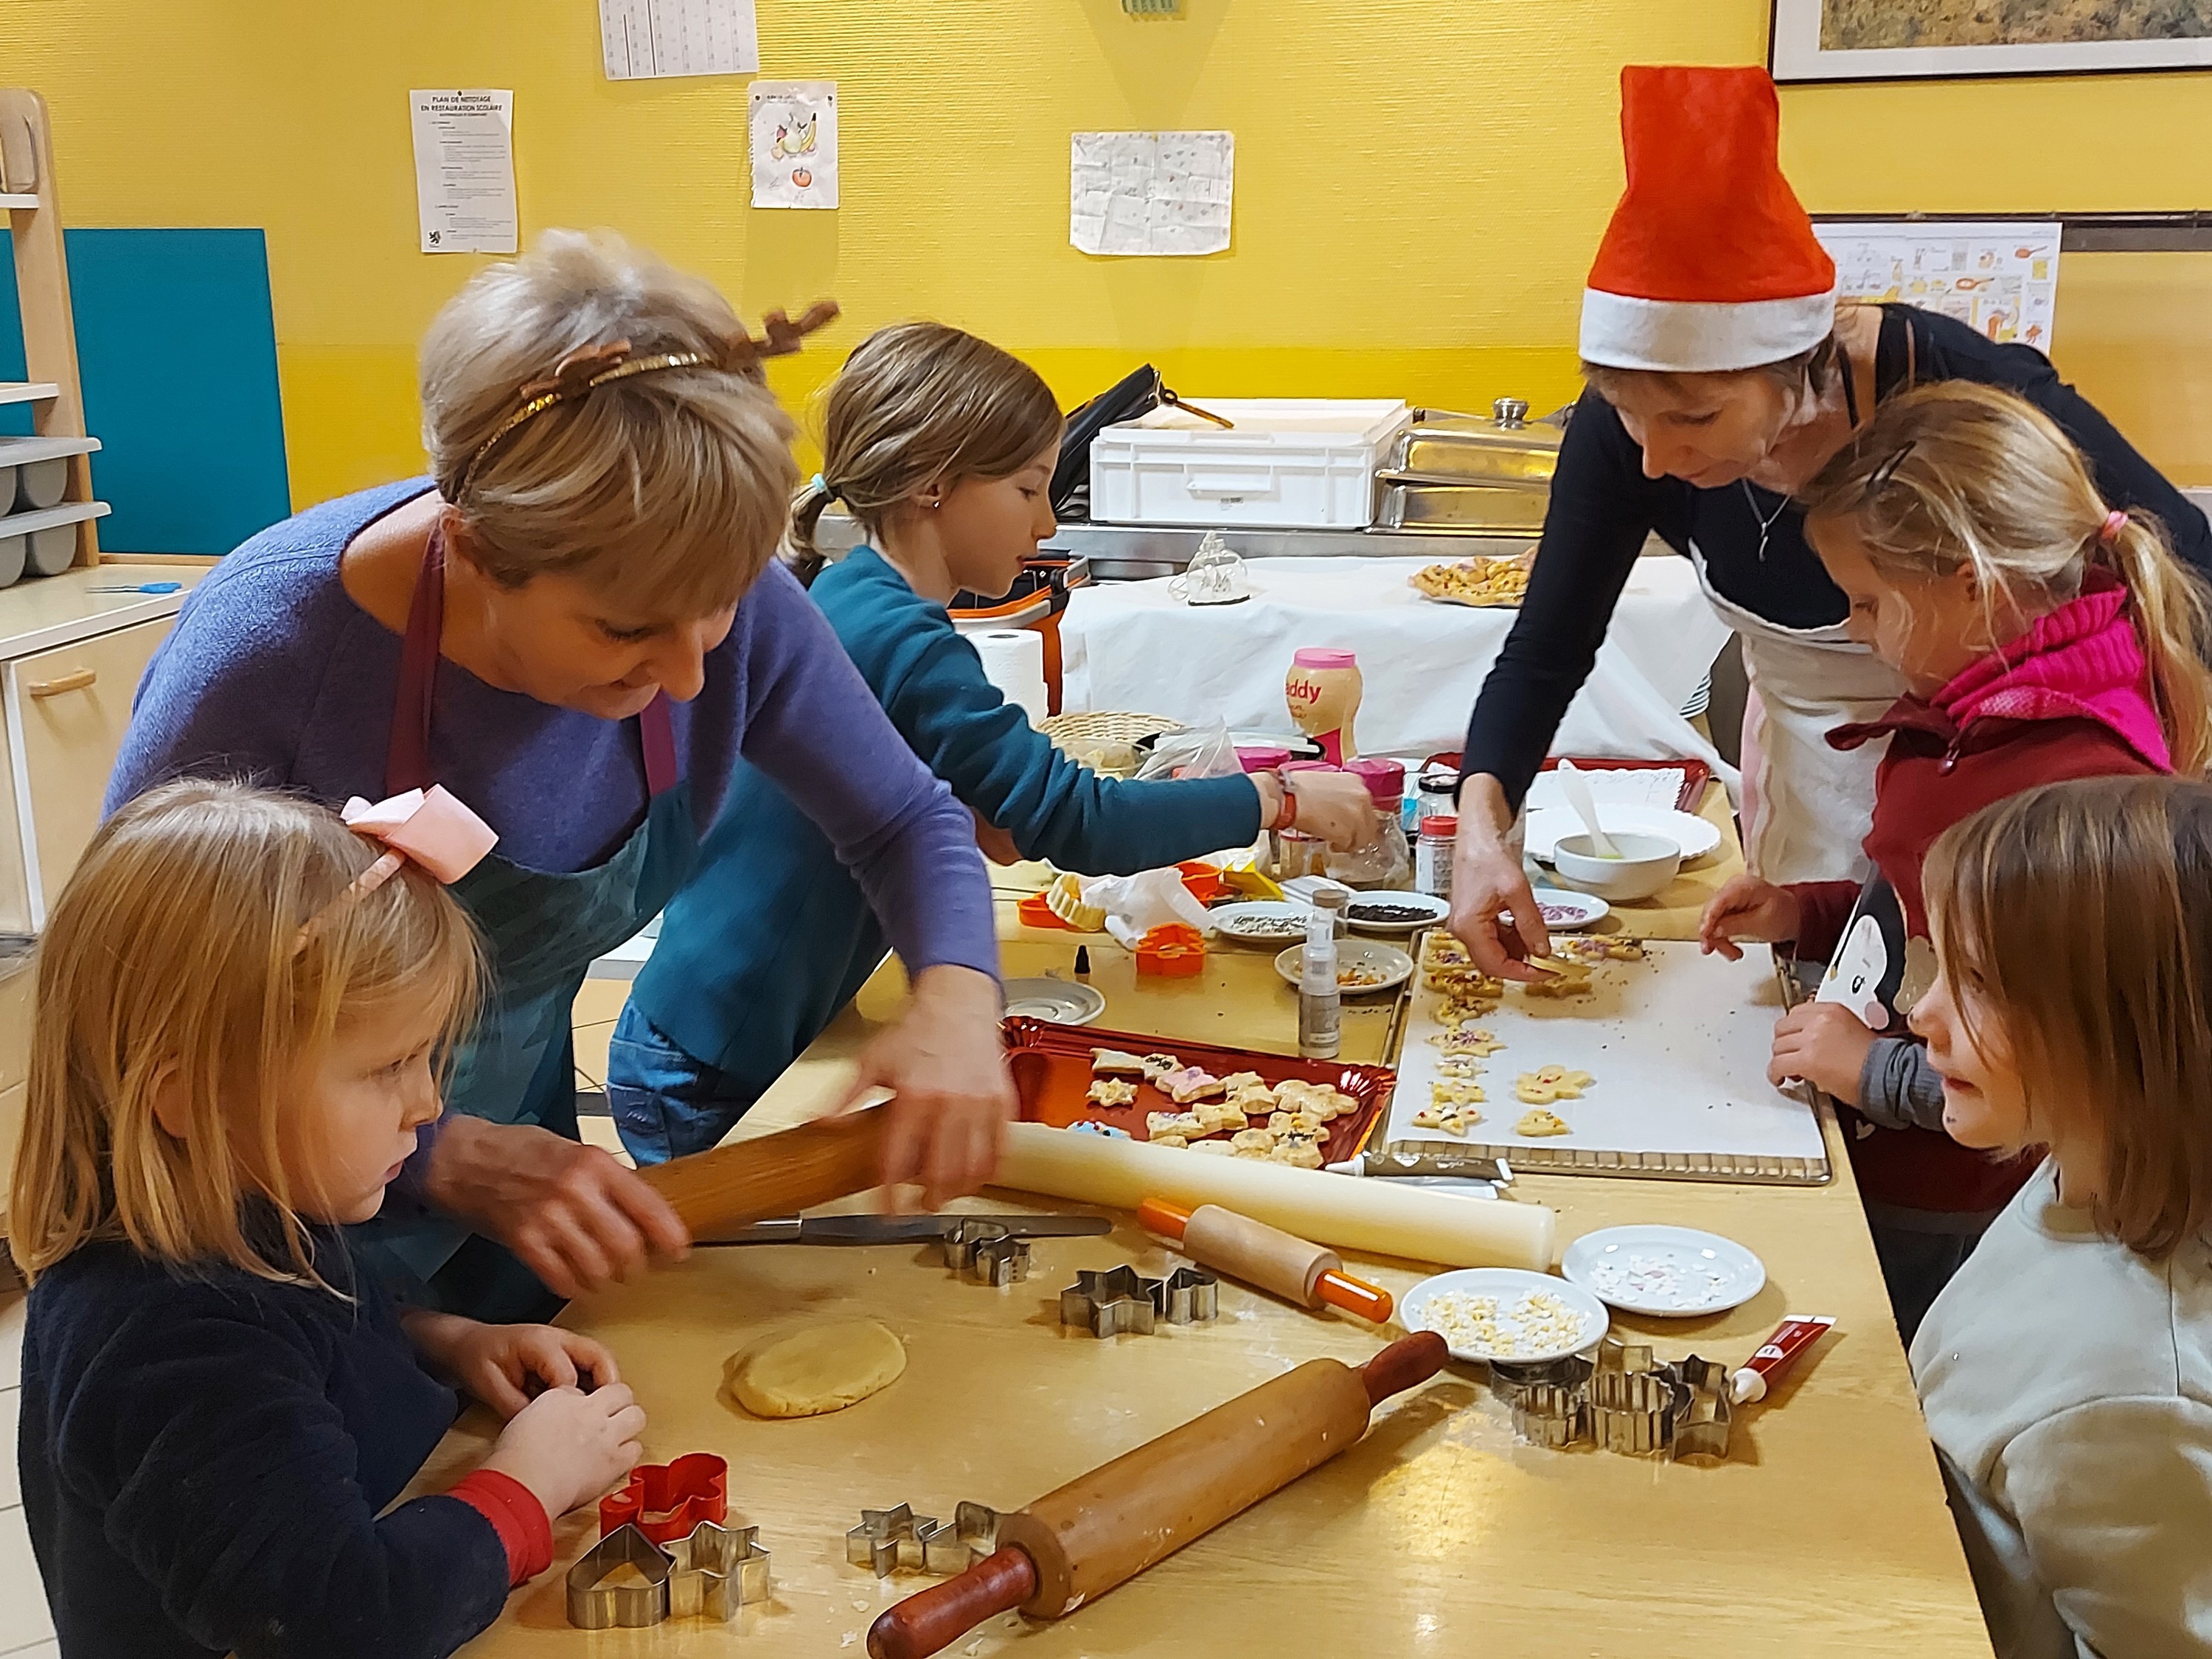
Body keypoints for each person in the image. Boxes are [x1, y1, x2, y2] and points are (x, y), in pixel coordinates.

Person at [106, 232, 1013, 1321]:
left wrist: (959, 998)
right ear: (475, 550)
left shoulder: (700, 579)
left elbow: (906, 818)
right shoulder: (271, 652)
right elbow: (139, 1020)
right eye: (625, 630)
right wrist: (445, 1153)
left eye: (718, 613)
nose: (690, 673)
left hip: (519, 1156)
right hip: (268, 1230)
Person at [1449, 65, 2208, 982]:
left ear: (1795, 370)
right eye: (1625, 413)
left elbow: (2177, 567)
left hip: (2013, 794)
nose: (1652, 458)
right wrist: (1479, 826)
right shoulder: (1636, 429)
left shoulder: (1956, 391)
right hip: (1816, 781)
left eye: (1693, 420)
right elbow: (1545, 649)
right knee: (1836, 1018)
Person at [608, 322, 1381, 1160]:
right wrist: (1279, 797)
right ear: (933, 486)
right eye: (1027, 489)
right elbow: (1072, 817)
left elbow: (988, 817)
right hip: (712, 1063)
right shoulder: (901, 638)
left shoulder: (859, 596)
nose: (1048, 522)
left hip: (714, 1032)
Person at [13, 781, 647, 1659]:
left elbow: (306, 1333)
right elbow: (342, 1619)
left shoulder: (252, 1204)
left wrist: (448, 1340)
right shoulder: (171, 1342)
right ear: (196, 1097)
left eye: (427, 1058)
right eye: (388, 1065)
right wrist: (529, 1485)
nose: (427, 1104)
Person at [1699, 380, 2212, 1338]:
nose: (1855, 629)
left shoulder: (2075, 784)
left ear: (1970, 584)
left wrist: (1875, 1070)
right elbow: (1914, 906)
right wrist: (1804, 911)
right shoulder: (1970, 710)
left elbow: (2071, 1071)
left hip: (1948, 1197)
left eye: (1867, 602)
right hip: (1877, 1141)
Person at [1907, 776, 2212, 1658]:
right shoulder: (2078, 1171)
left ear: (2120, 1035)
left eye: (1977, 982)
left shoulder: (2138, 1390)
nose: (1922, 1012)